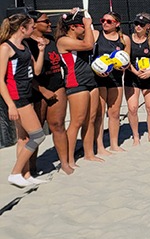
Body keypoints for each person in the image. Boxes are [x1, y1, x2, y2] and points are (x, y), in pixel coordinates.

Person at [0, 13, 48, 187]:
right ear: (22, 28)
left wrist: (41, 51)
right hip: (17, 97)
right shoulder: (6, 47)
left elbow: (36, 70)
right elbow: (0, 80)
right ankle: (15, 172)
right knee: (38, 135)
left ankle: (25, 174)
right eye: (31, 26)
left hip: (26, 93)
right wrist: (10, 105)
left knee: (24, 138)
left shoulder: (25, 45)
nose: (33, 29)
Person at [25, 11, 69, 175]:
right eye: (46, 21)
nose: (50, 24)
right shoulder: (26, 44)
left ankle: (64, 163)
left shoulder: (51, 40)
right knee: (35, 132)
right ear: (34, 24)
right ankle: (31, 168)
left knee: (58, 125)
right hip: (37, 90)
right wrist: (42, 90)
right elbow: (26, 74)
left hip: (56, 85)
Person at [56, 9, 100, 165]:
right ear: (72, 27)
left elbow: (94, 36)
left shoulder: (83, 36)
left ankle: (89, 153)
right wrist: (87, 25)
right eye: (81, 25)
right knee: (77, 121)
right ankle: (68, 159)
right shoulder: (63, 40)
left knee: (91, 119)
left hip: (90, 81)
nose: (85, 27)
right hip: (76, 82)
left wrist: (85, 16)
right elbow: (88, 44)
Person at [92, 11, 131, 153]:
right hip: (99, 78)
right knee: (100, 114)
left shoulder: (124, 39)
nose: (104, 23)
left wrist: (123, 66)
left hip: (116, 79)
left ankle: (114, 144)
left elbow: (127, 61)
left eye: (109, 21)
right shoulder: (97, 35)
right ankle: (100, 146)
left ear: (117, 24)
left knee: (114, 113)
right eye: (103, 20)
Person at [124, 13, 150, 145]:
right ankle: (136, 136)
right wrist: (135, 71)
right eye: (136, 24)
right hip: (132, 76)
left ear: (148, 26)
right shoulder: (128, 39)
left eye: (141, 24)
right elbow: (125, 60)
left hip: (148, 77)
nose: (138, 26)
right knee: (132, 108)